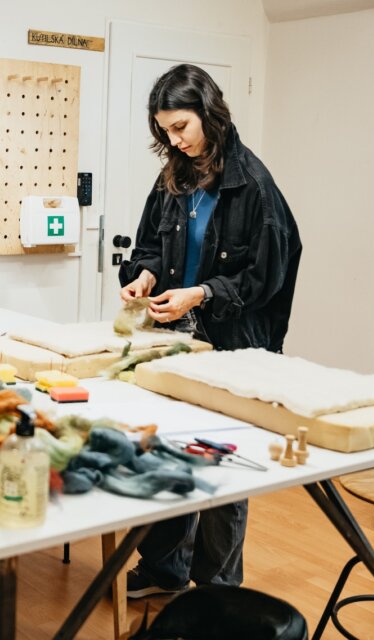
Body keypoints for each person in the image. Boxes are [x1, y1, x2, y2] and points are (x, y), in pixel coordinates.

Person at [118, 63, 302, 598]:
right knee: (170, 447)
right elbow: (151, 241)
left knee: (220, 461)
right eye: (164, 132)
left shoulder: (254, 185)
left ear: (209, 113)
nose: (173, 140)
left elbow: (266, 277)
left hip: (235, 344)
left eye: (180, 127)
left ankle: (217, 589)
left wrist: (201, 294)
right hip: (177, 340)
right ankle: (163, 570)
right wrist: (146, 274)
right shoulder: (174, 174)